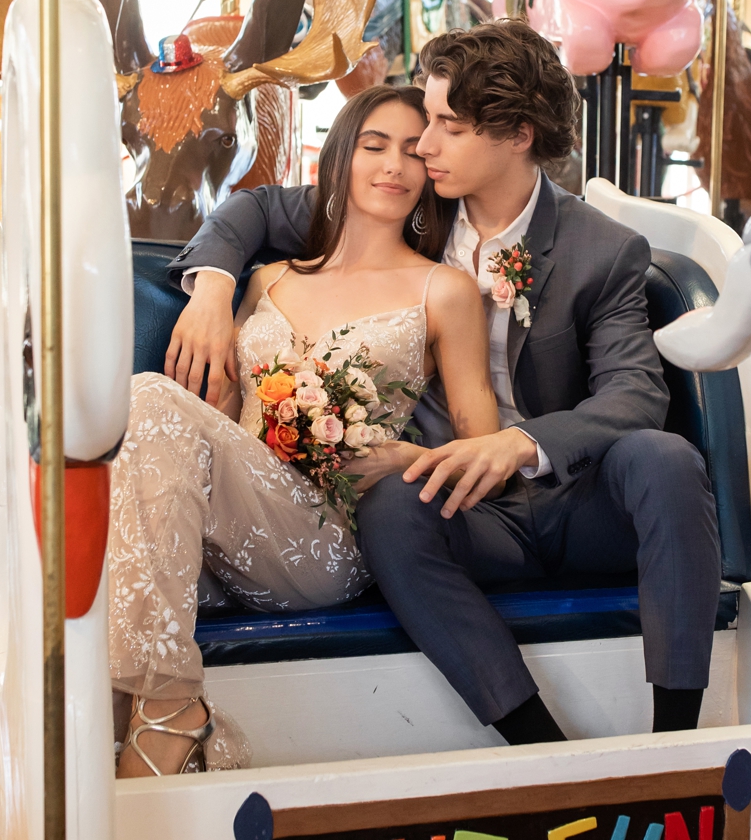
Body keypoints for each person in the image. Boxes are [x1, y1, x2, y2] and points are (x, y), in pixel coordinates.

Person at [167, 22, 720, 755]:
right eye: (426, 121)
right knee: (393, 507)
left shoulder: (602, 249)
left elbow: (634, 395)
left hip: (574, 496)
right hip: (460, 507)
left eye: (447, 127)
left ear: (517, 135)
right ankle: (539, 748)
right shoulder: (408, 203)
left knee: (666, 457)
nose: (422, 145)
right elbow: (258, 212)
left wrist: (516, 443)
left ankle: (676, 747)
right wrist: (210, 289)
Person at [106, 84, 497, 774]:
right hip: (232, 525)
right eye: (374, 146)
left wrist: (407, 455)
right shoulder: (267, 279)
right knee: (133, 451)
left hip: (333, 537)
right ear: (340, 157)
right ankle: (125, 726)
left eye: (412, 153)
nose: (393, 167)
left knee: (148, 395)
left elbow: (478, 440)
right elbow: (221, 422)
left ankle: (169, 708)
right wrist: (214, 291)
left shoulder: (444, 290)